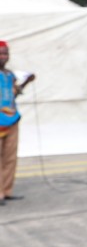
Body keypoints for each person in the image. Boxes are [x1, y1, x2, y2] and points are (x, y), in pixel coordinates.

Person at [0, 40, 34, 206]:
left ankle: (6, 191)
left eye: (6, 53)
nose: (3, 56)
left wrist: (27, 81)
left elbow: (14, 95)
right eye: (1, 53)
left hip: (12, 119)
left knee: (10, 158)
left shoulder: (9, 75)